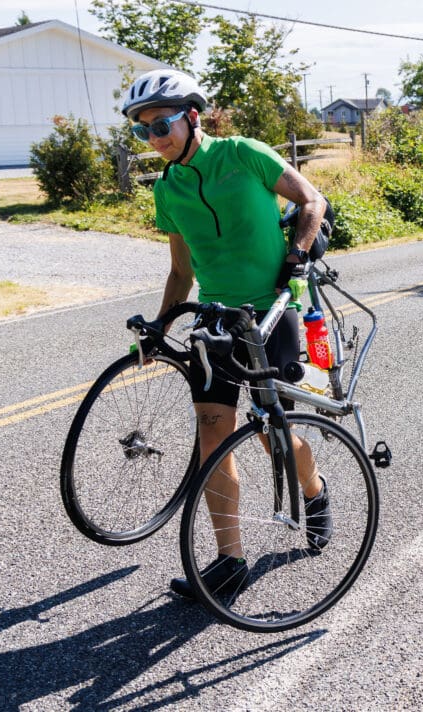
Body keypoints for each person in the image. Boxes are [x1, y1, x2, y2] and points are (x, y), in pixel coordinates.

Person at [121, 68, 333, 600]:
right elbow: (180, 272)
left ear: (191, 117)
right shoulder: (168, 190)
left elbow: (312, 202)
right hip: (215, 320)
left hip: (270, 312)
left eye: (162, 124)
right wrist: (161, 324)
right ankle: (229, 560)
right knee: (213, 436)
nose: (155, 138)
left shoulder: (243, 154)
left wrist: (297, 255)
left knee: (269, 433)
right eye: (143, 131)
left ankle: (314, 490)